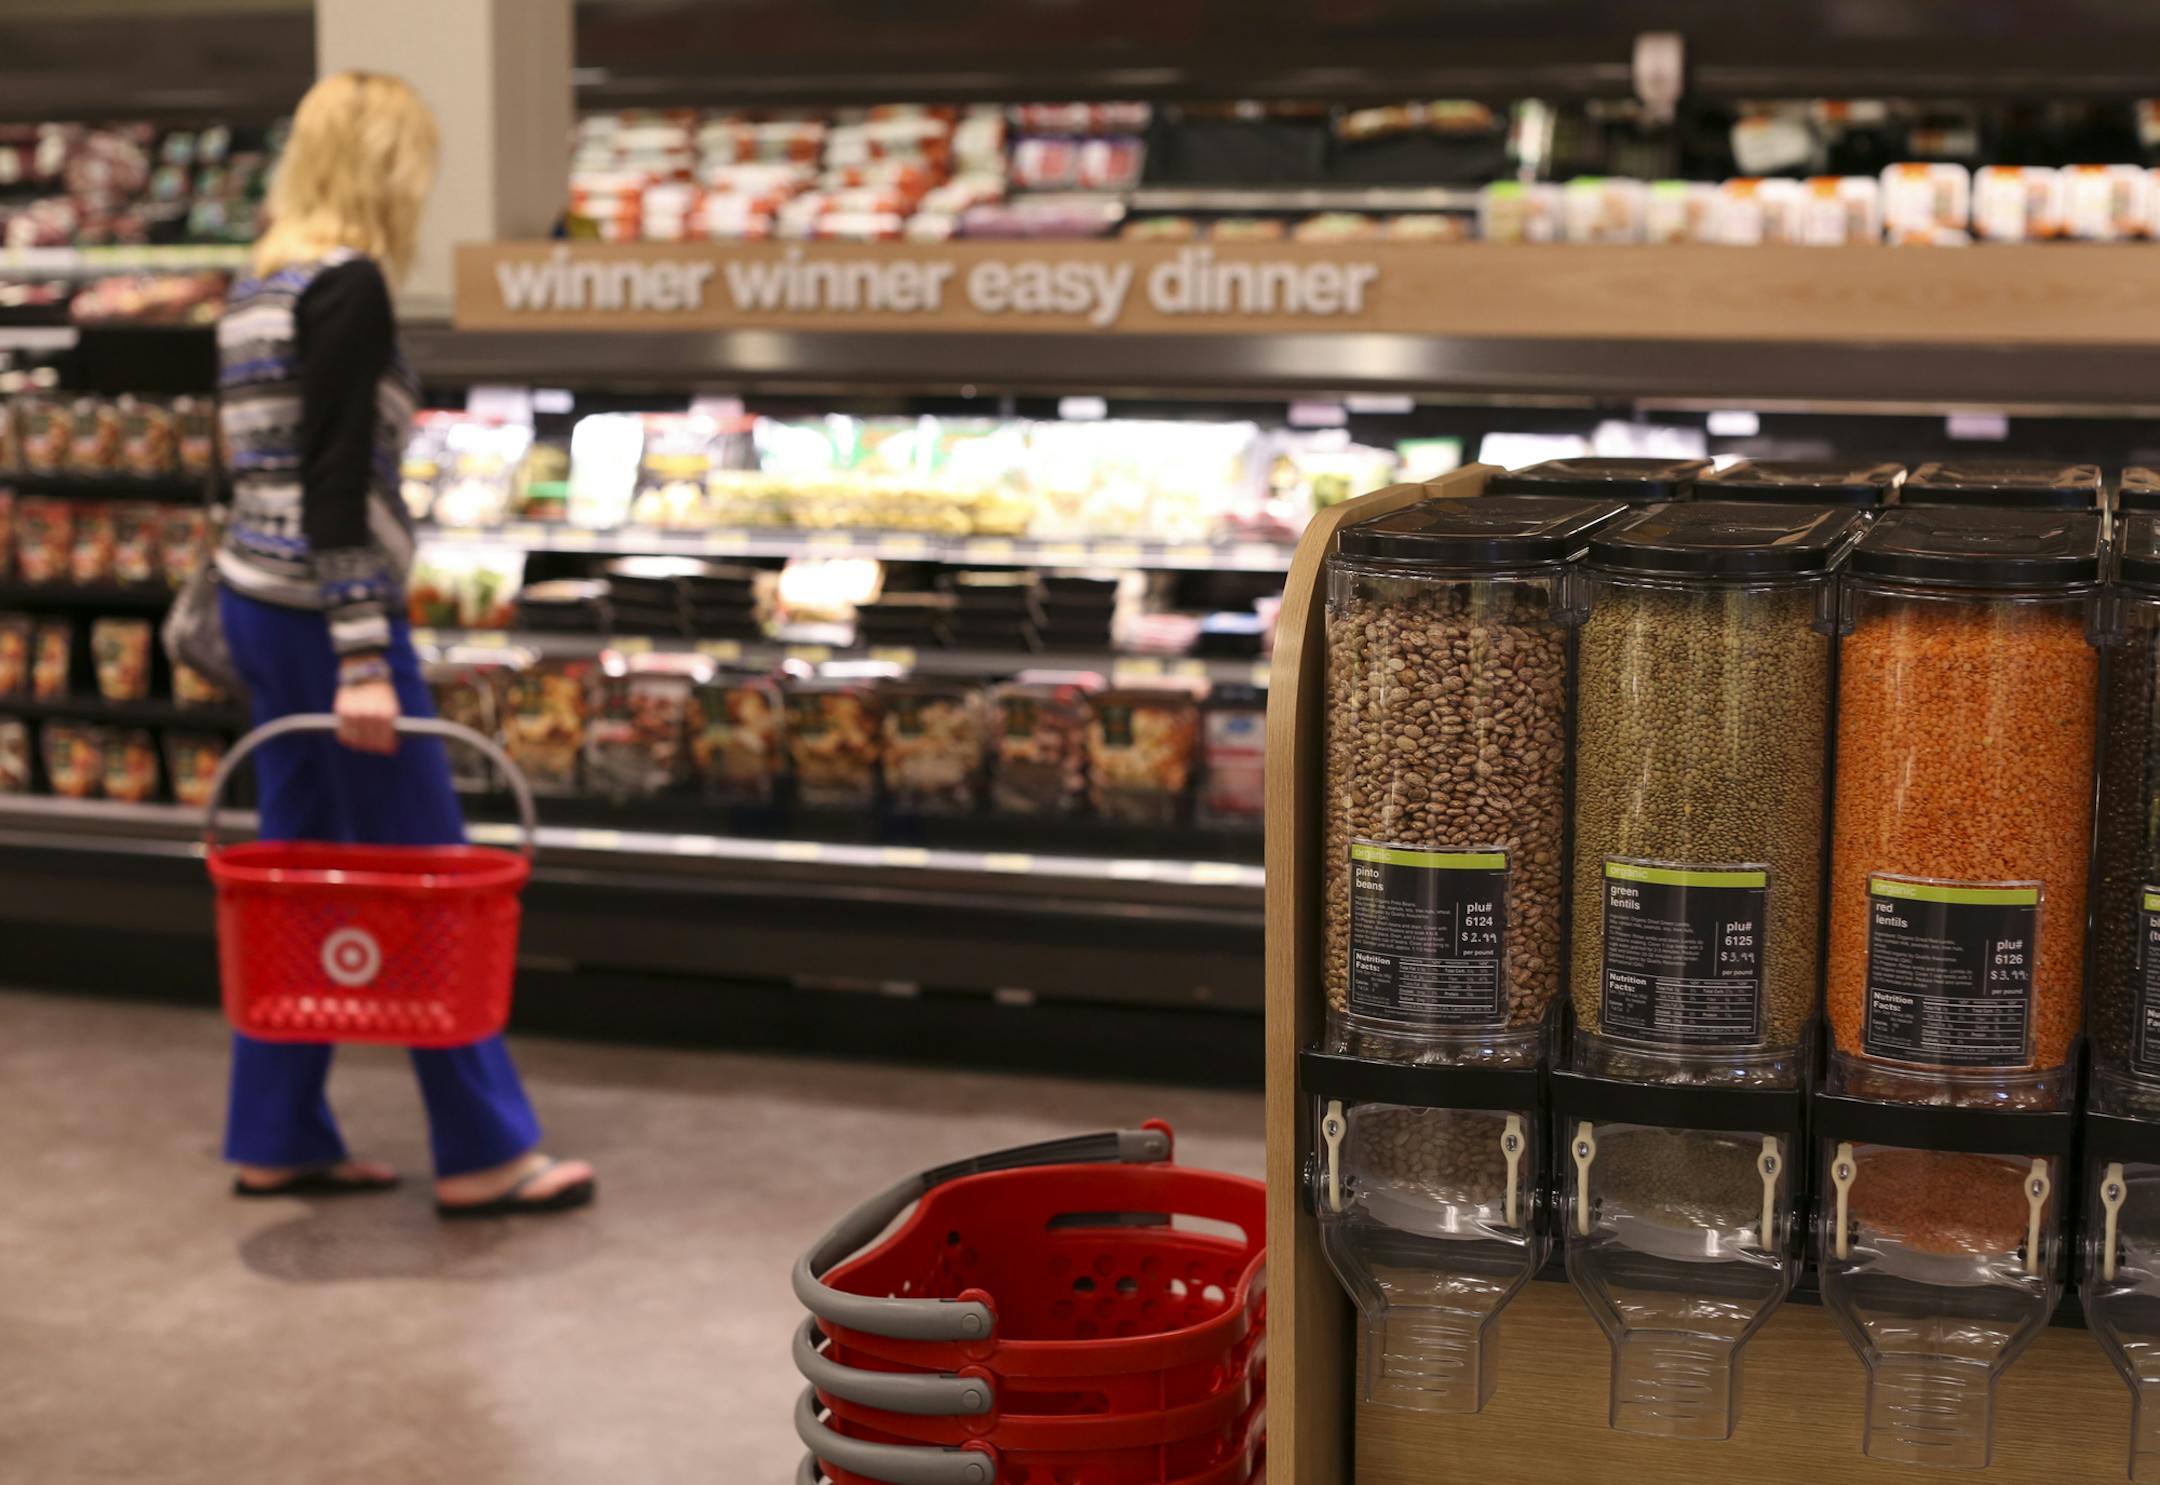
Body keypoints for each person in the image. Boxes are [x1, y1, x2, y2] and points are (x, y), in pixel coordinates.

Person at [216, 71, 594, 1217]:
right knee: (432, 871)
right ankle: (483, 1147)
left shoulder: (255, 283)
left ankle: (274, 1131)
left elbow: (234, 470)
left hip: (256, 601)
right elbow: (335, 486)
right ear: (389, 168)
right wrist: (368, 655)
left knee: (296, 868)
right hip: (330, 623)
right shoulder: (348, 287)